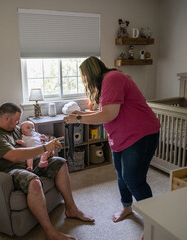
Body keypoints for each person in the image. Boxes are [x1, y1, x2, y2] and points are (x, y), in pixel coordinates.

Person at [64, 56, 160, 224]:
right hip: (121, 137)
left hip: (140, 134)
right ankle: (127, 207)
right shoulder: (106, 84)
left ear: (90, 73)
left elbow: (108, 115)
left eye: (84, 77)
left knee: (134, 179)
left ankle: (154, 223)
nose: (84, 81)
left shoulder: (112, 79)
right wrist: (79, 115)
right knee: (121, 175)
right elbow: (105, 112)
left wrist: (78, 118)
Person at [0, 102, 94, 240]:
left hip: (27, 163)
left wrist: (47, 151)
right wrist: (44, 148)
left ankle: (71, 209)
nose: (17, 124)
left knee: (60, 163)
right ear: (6, 119)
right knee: (33, 182)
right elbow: (14, 155)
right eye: (16, 120)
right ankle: (50, 231)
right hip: (7, 171)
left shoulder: (13, 129)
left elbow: (29, 143)